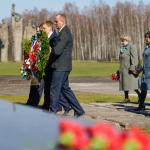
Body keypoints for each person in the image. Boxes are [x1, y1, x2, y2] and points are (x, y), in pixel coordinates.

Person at [26, 22, 72, 115]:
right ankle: (50, 106)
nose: (41, 31)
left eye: (43, 29)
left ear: (50, 28)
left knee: (57, 89)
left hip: (55, 67)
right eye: (39, 30)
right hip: (47, 67)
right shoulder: (45, 38)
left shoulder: (54, 37)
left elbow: (56, 52)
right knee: (52, 88)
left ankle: (66, 106)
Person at [47, 14, 85, 117]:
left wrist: (48, 59)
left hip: (60, 67)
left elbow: (57, 51)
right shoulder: (63, 32)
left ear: (62, 22)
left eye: (56, 21)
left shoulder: (64, 33)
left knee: (54, 90)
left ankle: (52, 112)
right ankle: (79, 110)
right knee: (65, 89)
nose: (54, 23)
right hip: (63, 66)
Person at [119, 34, 141, 103]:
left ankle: (140, 97)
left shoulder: (132, 47)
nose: (122, 42)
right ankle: (126, 98)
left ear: (127, 40)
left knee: (133, 84)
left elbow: (135, 58)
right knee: (125, 84)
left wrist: (132, 67)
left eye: (123, 41)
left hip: (130, 69)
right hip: (123, 69)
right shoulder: (123, 48)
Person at [134, 31, 150, 111]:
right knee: (143, 89)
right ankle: (141, 104)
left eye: (148, 37)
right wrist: (138, 70)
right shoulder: (147, 47)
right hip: (145, 71)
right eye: (146, 37)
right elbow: (145, 62)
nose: (147, 39)